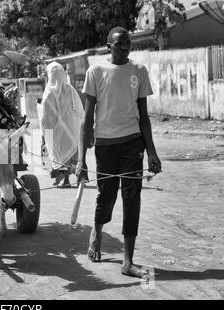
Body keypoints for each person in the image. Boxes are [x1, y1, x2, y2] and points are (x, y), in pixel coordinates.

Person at [76, 26, 162, 278]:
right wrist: (81, 159)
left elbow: (144, 117)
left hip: (132, 143)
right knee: (106, 197)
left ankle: (128, 261)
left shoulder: (139, 71)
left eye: (128, 43)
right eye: (120, 44)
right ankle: (97, 231)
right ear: (108, 47)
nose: (125, 48)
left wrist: (152, 153)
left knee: (132, 197)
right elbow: (86, 118)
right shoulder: (96, 72)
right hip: (105, 145)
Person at [40, 61, 84, 187]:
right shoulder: (70, 89)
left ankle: (62, 178)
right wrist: (82, 122)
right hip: (71, 129)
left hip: (54, 130)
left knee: (58, 154)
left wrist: (45, 132)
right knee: (69, 154)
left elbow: (44, 116)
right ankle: (66, 178)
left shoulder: (48, 93)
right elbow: (79, 109)